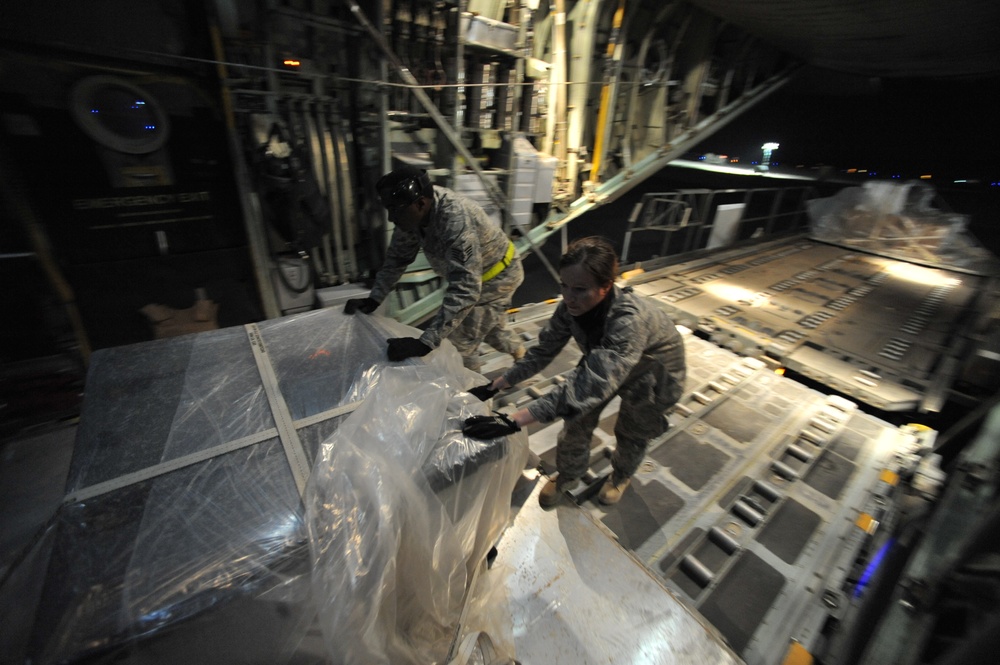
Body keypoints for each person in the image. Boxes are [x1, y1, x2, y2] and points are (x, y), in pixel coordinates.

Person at [463, 236, 686, 507]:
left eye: (580, 289)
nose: (569, 297)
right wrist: (497, 384)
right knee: (576, 421)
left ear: (606, 286)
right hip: (606, 360)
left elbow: (592, 384)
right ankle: (569, 476)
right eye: (564, 286)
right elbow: (543, 351)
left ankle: (620, 476)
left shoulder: (629, 321)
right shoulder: (571, 308)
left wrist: (514, 420)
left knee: (633, 431)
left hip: (653, 373)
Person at [343, 165, 525, 369]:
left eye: (395, 210)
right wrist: (374, 298)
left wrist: (426, 343)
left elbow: (466, 288)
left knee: (458, 349)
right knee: (489, 328)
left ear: (420, 204)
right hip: (482, 276)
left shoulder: (454, 220)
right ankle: (522, 356)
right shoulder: (411, 217)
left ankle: (472, 398)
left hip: (497, 277)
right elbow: (397, 259)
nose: (391, 218)